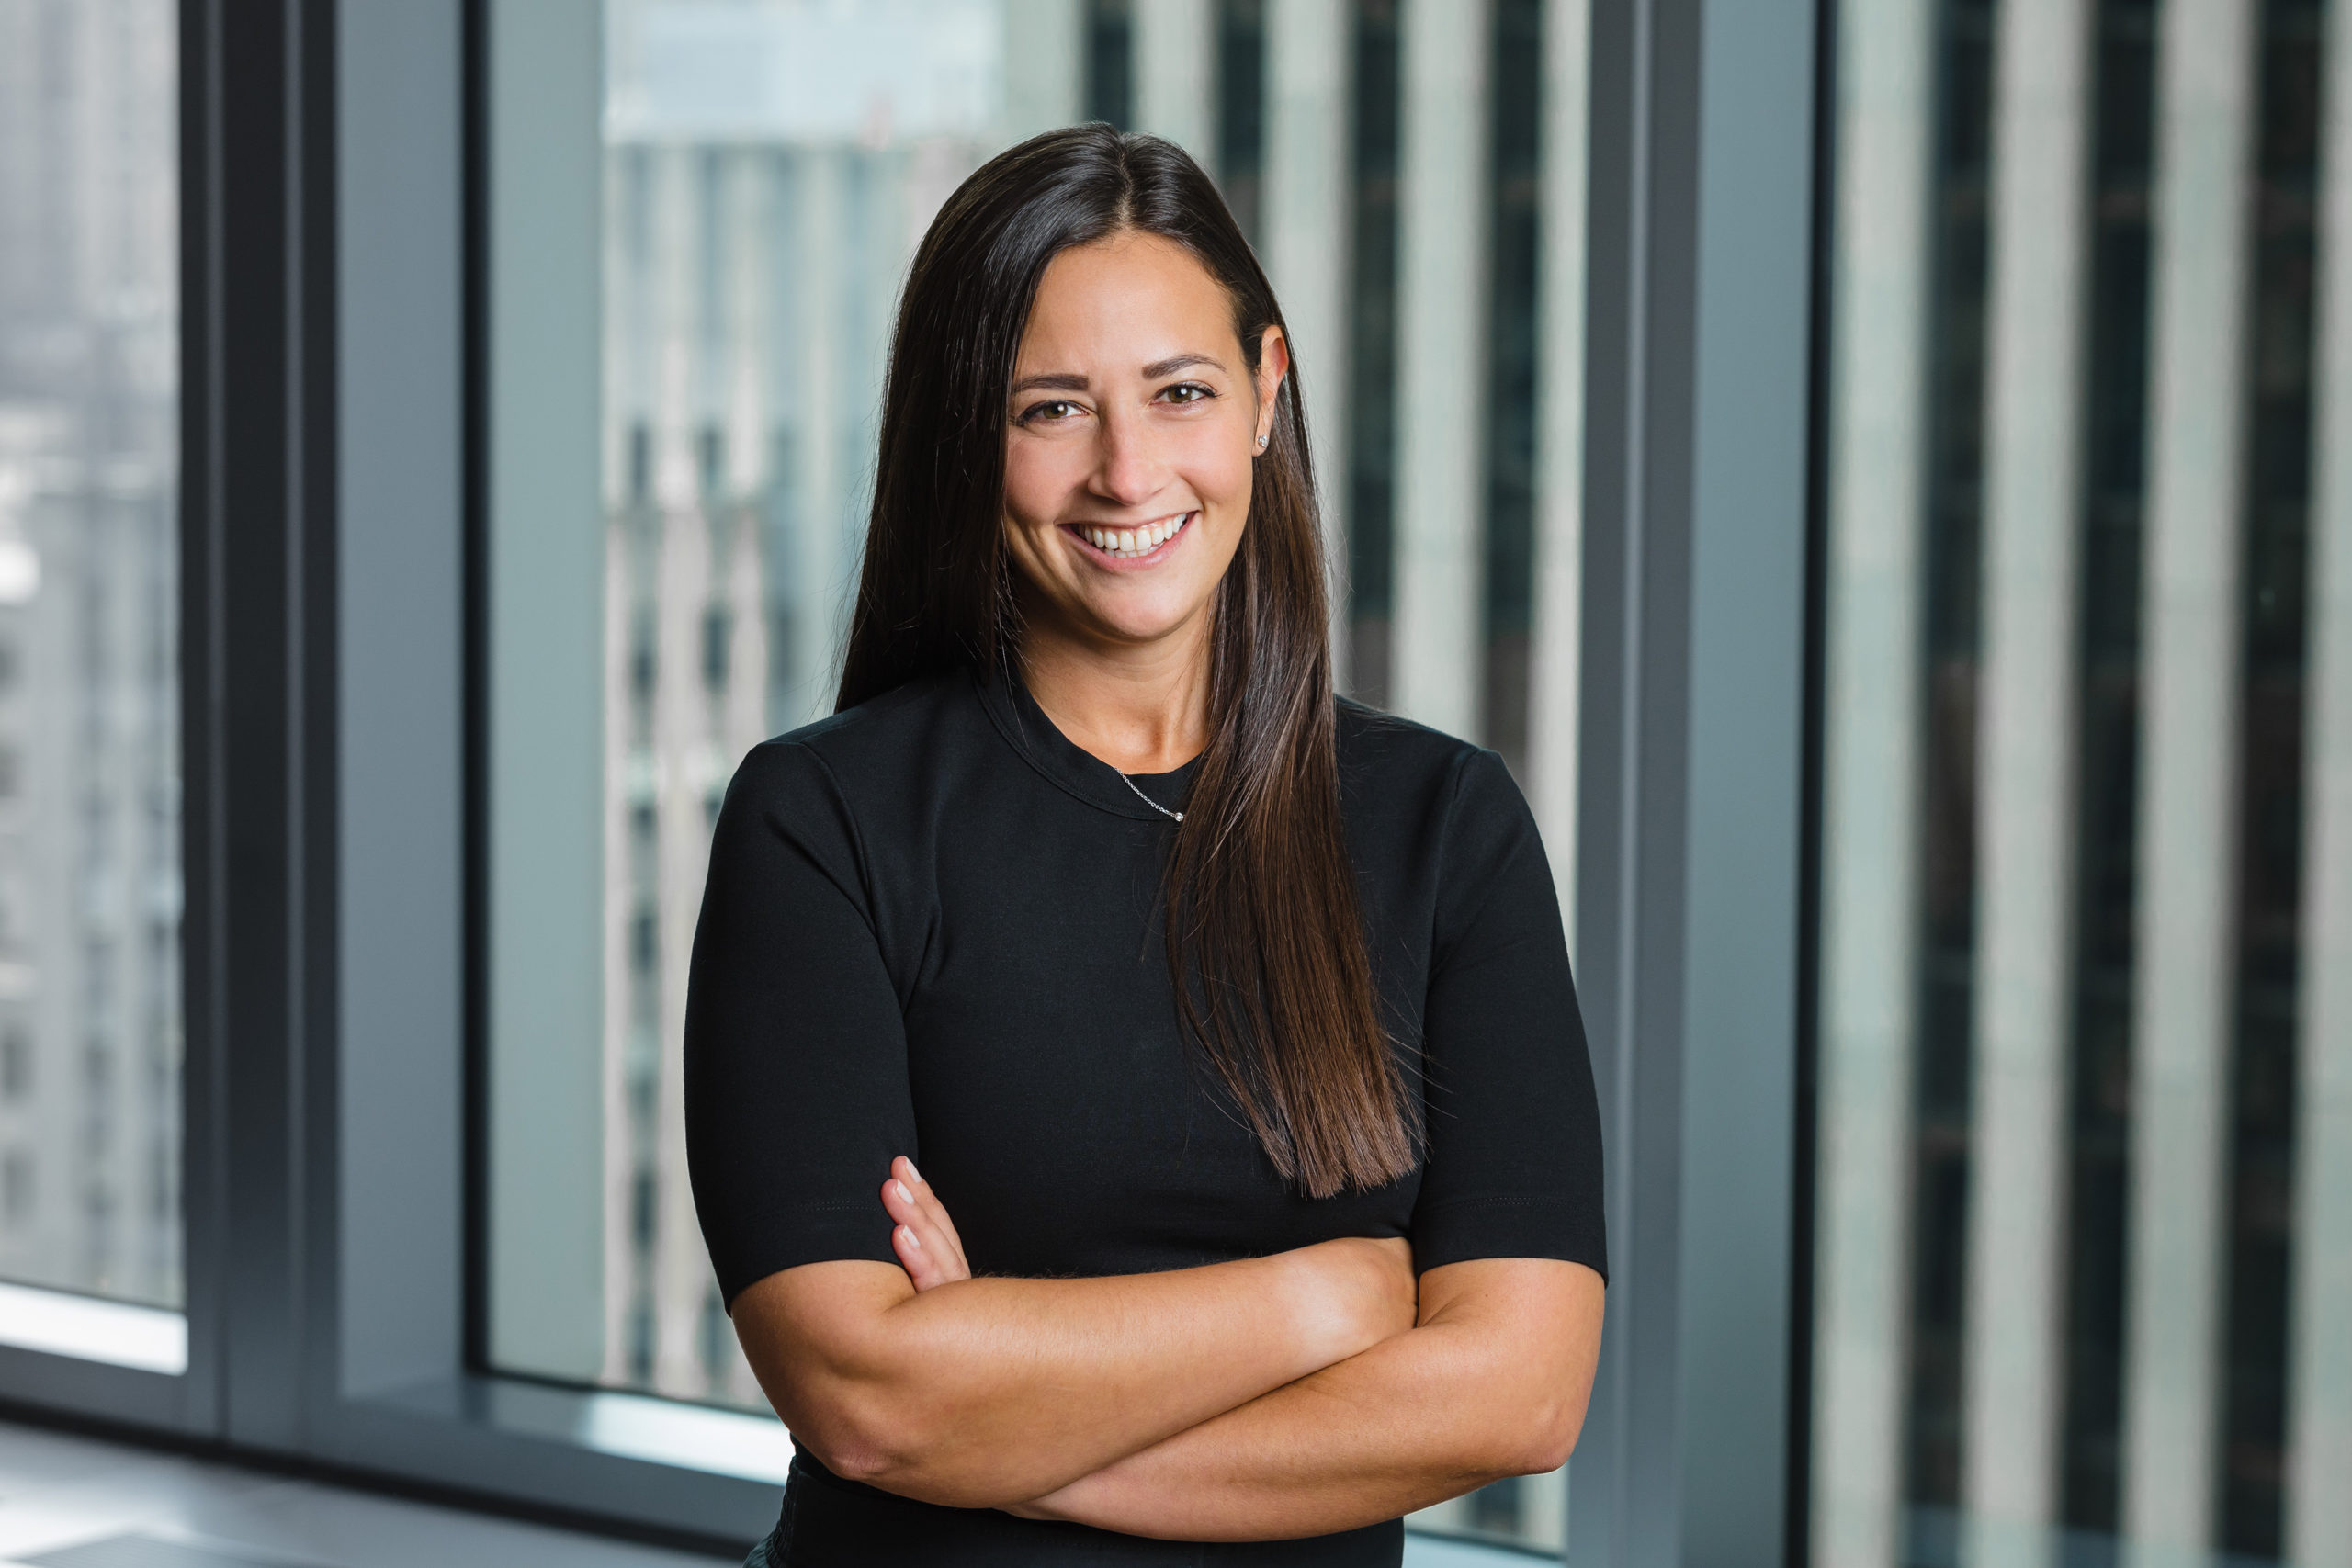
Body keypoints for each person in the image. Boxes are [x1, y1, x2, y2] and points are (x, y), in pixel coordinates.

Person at [684, 125, 1606, 1567]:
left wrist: (996, 1418)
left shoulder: (1446, 829)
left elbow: (1523, 1395)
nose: (1127, 473)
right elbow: (863, 1397)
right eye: (1050, 409)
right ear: (966, 436)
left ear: (1265, 393)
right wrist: (1334, 1301)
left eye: (1179, 392)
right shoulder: (825, 823)